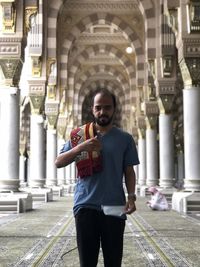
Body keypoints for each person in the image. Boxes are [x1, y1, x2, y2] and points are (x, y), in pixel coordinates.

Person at [55, 88, 140, 267]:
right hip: (85, 204)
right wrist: (81, 147)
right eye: (98, 107)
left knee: (113, 260)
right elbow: (59, 162)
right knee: (87, 262)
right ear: (93, 110)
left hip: (115, 205)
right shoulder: (79, 136)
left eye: (107, 107)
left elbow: (129, 170)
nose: (103, 112)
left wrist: (131, 197)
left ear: (114, 109)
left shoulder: (124, 139)